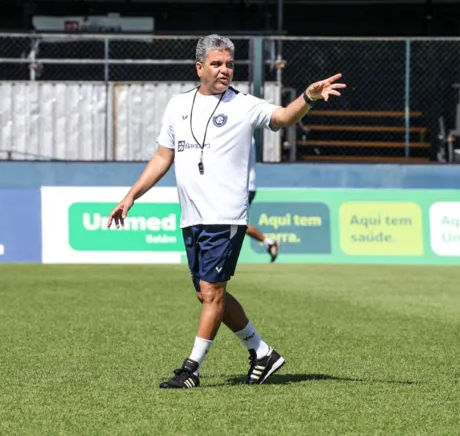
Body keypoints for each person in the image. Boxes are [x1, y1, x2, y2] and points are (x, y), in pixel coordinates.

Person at [107, 34, 345, 389]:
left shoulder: (243, 104)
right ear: (199, 67)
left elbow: (281, 118)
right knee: (207, 294)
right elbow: (162, 157)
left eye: (229, 64)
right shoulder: (176, 106)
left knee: (213, 292)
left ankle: (191, 369)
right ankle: (262, 353)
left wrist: (308, 98)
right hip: (193, 217)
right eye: (217, 64)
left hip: (226, 215)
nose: (224, 70)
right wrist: (131, 196)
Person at [246, 136, 280, 262]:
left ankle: (269, 243)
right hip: (243, 186)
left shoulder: (245, 135)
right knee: (236, 224)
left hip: (244, 186)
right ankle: (270, 243)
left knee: (236, 223)